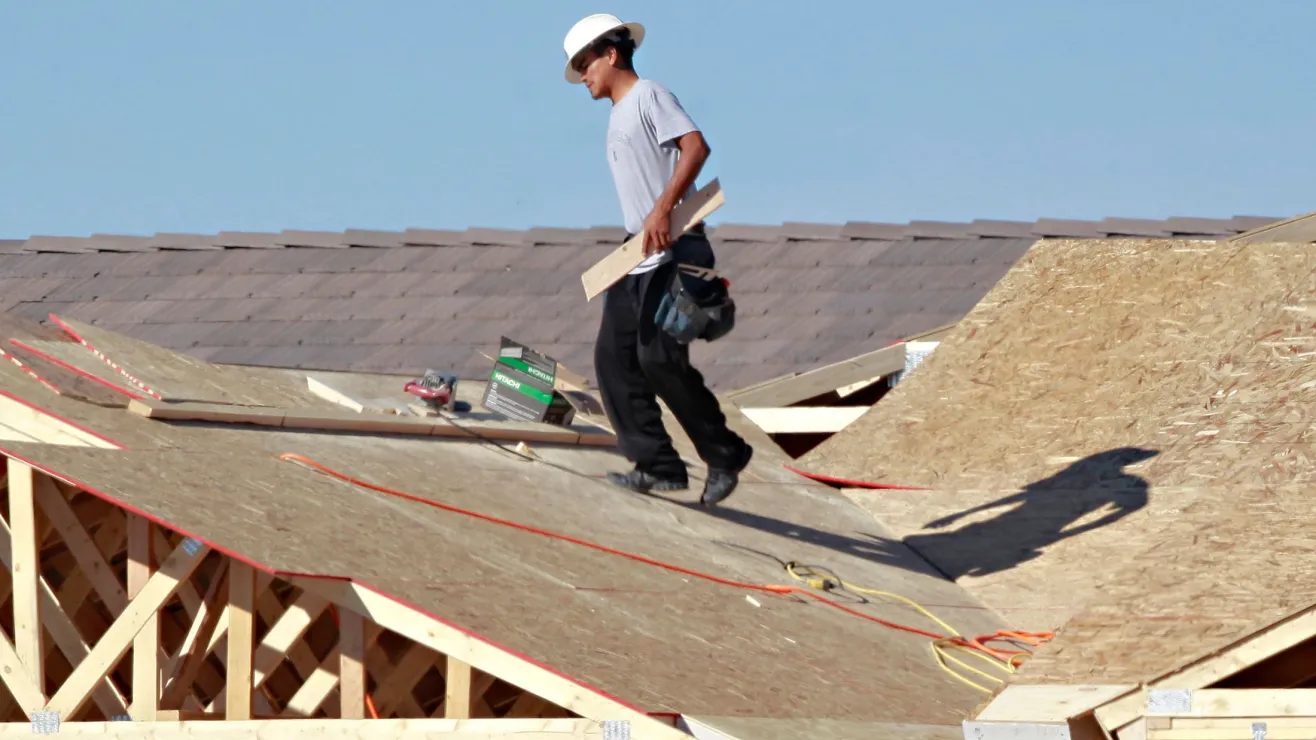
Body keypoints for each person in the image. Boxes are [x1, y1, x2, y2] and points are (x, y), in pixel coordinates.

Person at [562, 13, 753, 506]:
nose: (583, 75)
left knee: (659, 360)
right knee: (613, 360)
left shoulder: (649, 95)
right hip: (636, 258)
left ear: (611, 54)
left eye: (586, 63)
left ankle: (725, 452)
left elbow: (697, 146)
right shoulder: (615, 115)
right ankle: (659, 466)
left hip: (675, 250)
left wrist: (663, 209)